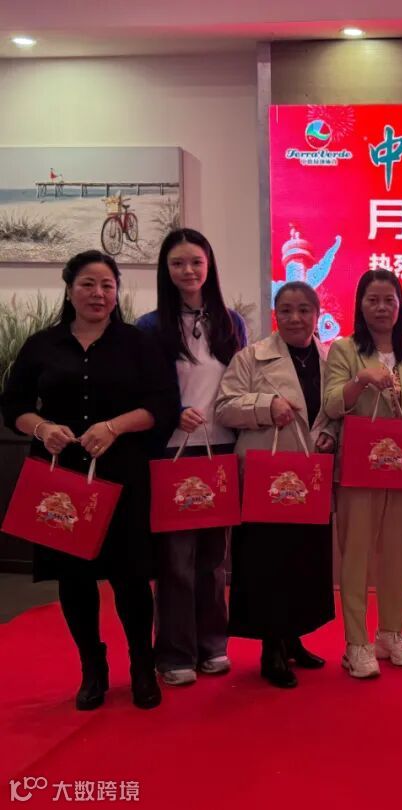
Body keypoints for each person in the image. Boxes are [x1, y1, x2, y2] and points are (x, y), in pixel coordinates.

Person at [1, 250, 179, 710]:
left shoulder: (138, 344)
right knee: (74, 578)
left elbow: (163, 405)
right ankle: (92, 668)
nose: (98, 294)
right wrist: (41, 428)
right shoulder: (42, 345)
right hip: (61, 478)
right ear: (69, 289)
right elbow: (13, 405)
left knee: (131, 577)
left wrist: (114, 426)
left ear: (117, 292)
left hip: (123, 477)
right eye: (87, 284)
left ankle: (142, 666)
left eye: (107, 285)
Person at [136, 228, 247, 687]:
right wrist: (173, 412)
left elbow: (240, 382)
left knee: (214, 559)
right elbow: (144, 390)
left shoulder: (230, 322)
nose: (188, 270)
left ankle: (212, 644)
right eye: (178, 263)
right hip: (172, 452)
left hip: (220, 448)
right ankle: (174, 652)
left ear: (209, 266)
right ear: (166, 270)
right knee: (176, 560)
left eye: (196, 262)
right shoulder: (149, 327)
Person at [215, 281, 336, 688]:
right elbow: (224, 408)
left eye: (304, 310)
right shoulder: (251, 358)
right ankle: (271, 648)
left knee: (305, 561)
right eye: (286, 310)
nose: (295, 318)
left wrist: (330, 435)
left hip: (311, 479)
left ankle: (294, 638)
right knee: (267, 561)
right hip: (267, 481)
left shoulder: (330, 359)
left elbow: (337, 412)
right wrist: (266, 406)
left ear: (317, 315)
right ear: (275, 314)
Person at [323, 269, 402, 679]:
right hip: (358, 466)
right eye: (373, 300)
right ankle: (356, 642)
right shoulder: (344, 350)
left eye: (389, 300)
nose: (381, 308)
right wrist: (362, 379)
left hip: (400, 466)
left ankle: (391, 632)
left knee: (396, 551)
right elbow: (331, 404)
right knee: (357, 555)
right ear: (360, 306)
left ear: (400, 306)